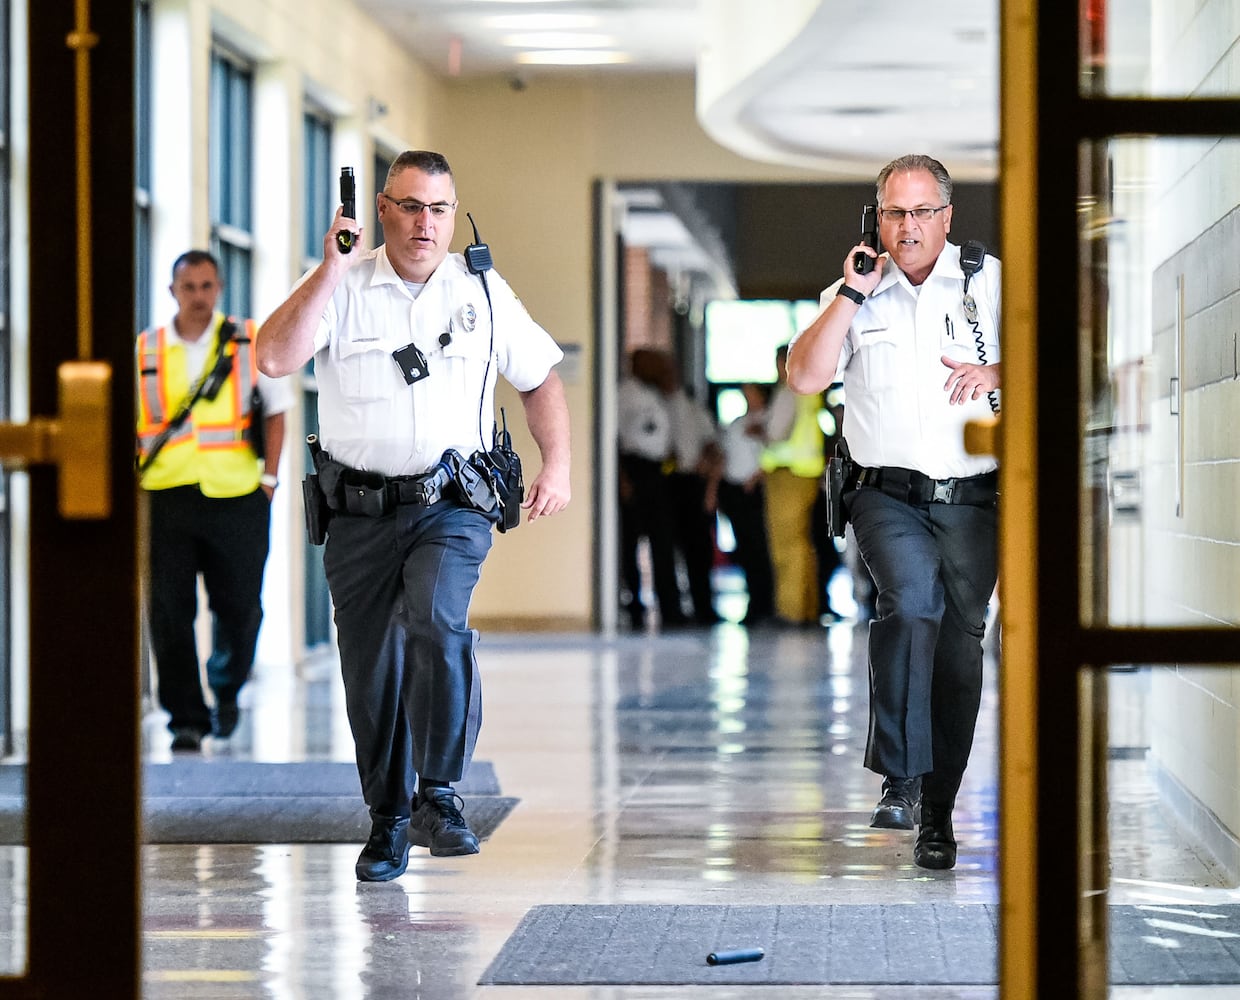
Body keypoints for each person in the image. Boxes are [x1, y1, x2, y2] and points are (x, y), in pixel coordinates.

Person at [256, 150, 571, 881]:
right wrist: (329, 267)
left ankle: (442, 793)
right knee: (371, 670)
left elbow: (540, 378)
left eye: (438, 209)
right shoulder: (342, 286)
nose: (425, 223)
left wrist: (554, 464)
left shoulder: (483, 291)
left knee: (437, 618)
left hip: (452, 506)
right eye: (409, 206)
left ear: (453, 215)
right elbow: (274, 358)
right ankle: (389, 820)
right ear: (382, 210)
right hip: (358, 514)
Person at [785, 154, 1000, 871]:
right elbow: (805, 376)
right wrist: (848, 294)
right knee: (908, 603)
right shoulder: (854, 292)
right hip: (884, 494)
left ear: (946, 215)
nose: (907, 227)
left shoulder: (988, 282)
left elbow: (1061, 354)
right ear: (875, 217)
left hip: (973, 499)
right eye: (894, 213)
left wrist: (999, 371)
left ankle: (938, 815)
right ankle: (900, 778)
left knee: (958, 652)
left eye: (921, 212)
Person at [136, 250, 293, 753]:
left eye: (207, 286)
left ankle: (225, 689)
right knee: (168, 610)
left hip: (238, 497)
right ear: (173, 291)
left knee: (241, 608)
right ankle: (185, 717)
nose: (198, 296)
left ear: (219, 288)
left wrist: (269, 480)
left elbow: (277, 412)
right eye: (189, 287)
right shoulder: (147, 351)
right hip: (166, 496)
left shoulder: (248, 341)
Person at [616, 348, 684, 629]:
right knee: (631, 540)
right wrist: (622, 478)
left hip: (657, 469)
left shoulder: (656, 393)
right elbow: (615, 437)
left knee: (663, 540)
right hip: (635, 469)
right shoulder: (625, 393)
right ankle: (634, 608)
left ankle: (670, 607)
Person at [762, 344, 826, 627]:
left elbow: (775, 434)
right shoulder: (812, 391)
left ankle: (790, 610)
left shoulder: (789, 391)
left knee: (787, 545)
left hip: (787, 474)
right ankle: (806, 607)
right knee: (802, 543)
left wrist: (758, 429)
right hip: (806, 474)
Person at [717, 383, 776, 626]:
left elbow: (773, 453)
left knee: (760, 548)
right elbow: (724, 455)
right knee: (745, 550)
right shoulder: (737, 423)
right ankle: (753, 603)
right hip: (734, 489)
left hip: (755, 490)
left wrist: (756, 478)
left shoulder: (769, 420)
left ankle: (765, 604)